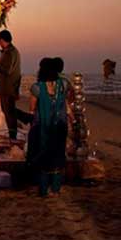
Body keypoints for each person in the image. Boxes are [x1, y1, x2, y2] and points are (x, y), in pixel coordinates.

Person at [27, 58, 72, 197]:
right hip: (60, 125)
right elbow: (67, 101)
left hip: (43, 126)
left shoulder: (37, 88)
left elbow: (32, 108)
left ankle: (44, 189)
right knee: (58, 154)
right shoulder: (64, 84)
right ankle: (56, 189)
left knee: (43, 154)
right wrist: (71, 117)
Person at [0, 30, 31, 140]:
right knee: (9, 110)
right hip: (10, 86)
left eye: (0, 40)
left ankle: (13, 135)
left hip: (7, 87)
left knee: (9, 112)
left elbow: (7, 69)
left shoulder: (9, 52)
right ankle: (26, 118)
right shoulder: (12, 51)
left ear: (2, 40)